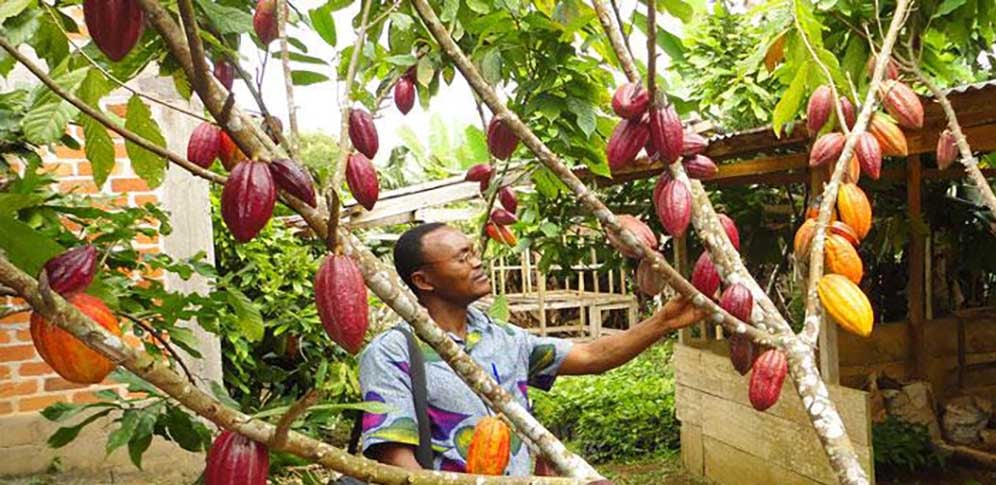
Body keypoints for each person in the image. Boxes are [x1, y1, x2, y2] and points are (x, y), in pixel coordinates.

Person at [357, 223, 706, 475]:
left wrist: (664, 321)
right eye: (462, 258)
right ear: (423, 280)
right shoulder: (392, 353)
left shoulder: (502, 337)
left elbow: (591, 356)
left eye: (473, 253)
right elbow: (394, 459)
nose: (477, 262)